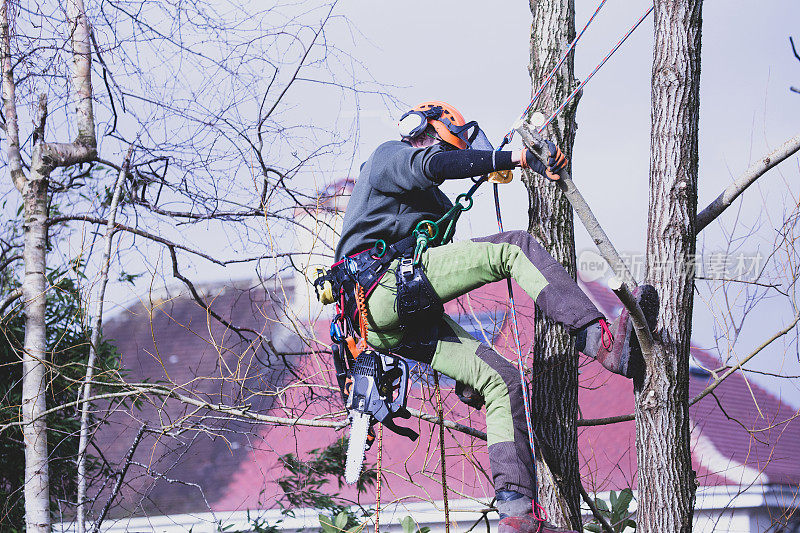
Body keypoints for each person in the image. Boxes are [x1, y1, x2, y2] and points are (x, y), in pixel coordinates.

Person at [332, 101, 658, 533]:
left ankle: (517, 516)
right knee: (513, 248)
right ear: (430, 130)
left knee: (499, 379)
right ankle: (602, 342)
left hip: (390, 320)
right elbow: (436, 164)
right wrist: (519, 159)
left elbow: (436, 267)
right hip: (379, 291)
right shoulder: (390, 157)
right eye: (454, 139)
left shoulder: (431, 203)